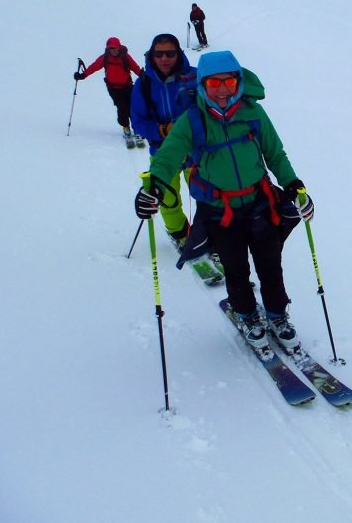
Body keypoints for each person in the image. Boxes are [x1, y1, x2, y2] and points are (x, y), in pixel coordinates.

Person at [134, 51, 313, 352]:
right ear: (203, 85)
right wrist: (153, 188)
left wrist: (293, 184)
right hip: (220, 211)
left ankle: (277, 315)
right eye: (214, 83)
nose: (222, 89)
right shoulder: (192, 120)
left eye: (228, 81)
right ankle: (246, 315)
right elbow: (167, 157)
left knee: (270, 264)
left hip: (259, 203)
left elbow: (275, 153)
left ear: (238, 82)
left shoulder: (252, 113)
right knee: (235, 267)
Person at [130, 33, 197, 251]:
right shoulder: (144, 85)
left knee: (209, 196)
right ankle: (181, 235)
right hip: (162, 151)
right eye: (159, 54)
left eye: (170, 53)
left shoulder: (195, 77)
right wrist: (161, 130)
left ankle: (210, 235)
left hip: (195, 149)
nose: (164, 58)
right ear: (152, 56)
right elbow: (138, 121)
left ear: (178, 54)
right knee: (168, 198)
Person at [75, 37, 143, 142]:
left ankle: (137, 128)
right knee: (122, 108)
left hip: (127, 86)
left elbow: (135, 67)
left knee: (132, 108)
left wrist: (143, 76)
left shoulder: (125, 57)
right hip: (113, 89)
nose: (114, 50)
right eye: (111, 48)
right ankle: (126, 128)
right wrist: (83, 75)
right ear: (108, 49)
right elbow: (94, 67)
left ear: (119, 47)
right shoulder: (105, 58)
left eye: (115, 48)